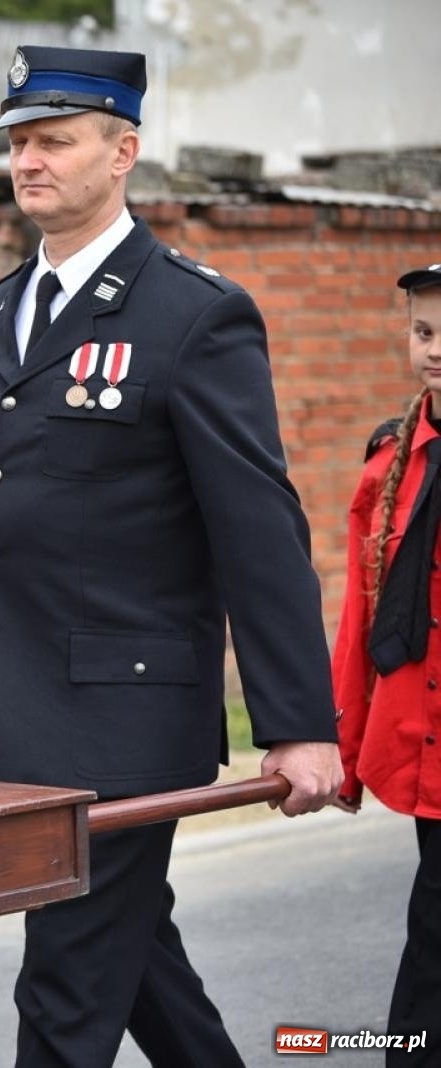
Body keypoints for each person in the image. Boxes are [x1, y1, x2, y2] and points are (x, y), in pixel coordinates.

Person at [0, 45, 342, 1066]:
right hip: (21, 716)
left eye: (54, 141)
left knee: (65, 991)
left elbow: (258, 532)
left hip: (123, 717)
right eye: (18, 143)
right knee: (133, 956)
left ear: (123, 153)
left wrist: (299, 724)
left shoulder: (192, 315)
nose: (29, 162)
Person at [330, 264, 441, 1063]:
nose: (434, 349)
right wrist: (341, 752)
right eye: (425, 331)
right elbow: (359, 620)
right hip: (424, 741)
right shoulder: (388, 467)